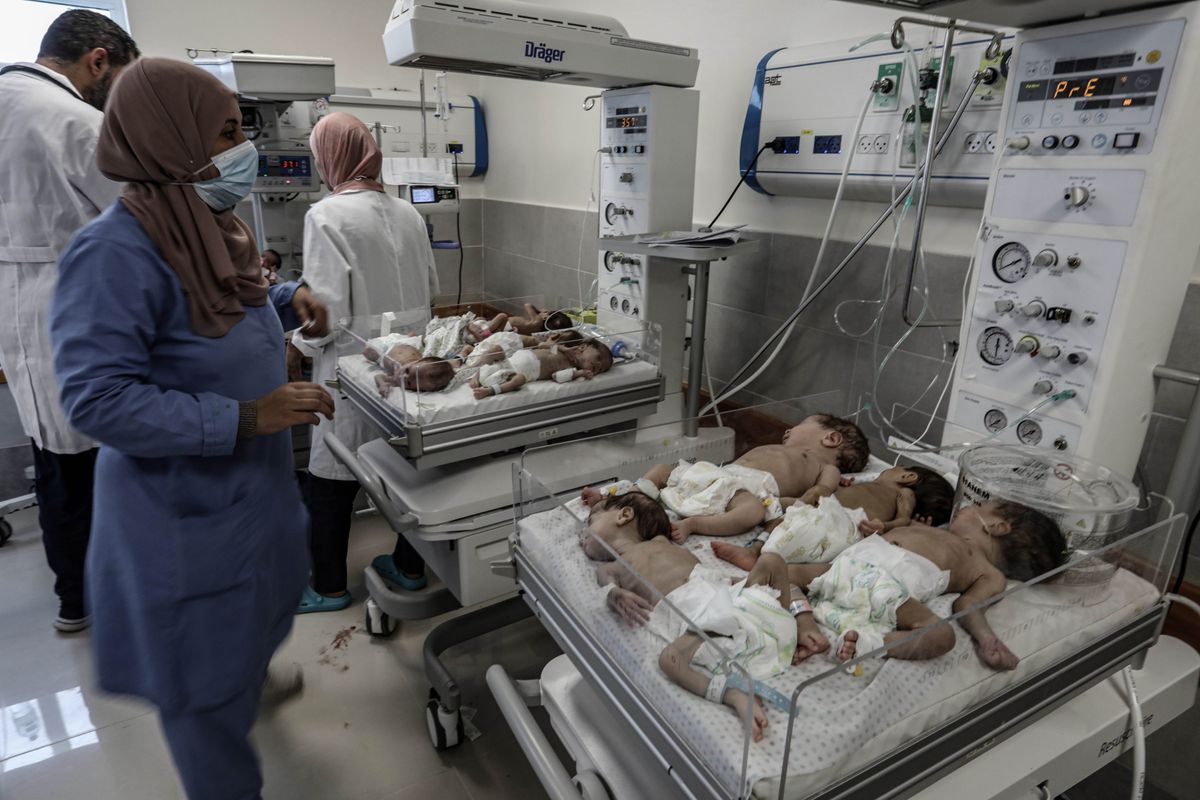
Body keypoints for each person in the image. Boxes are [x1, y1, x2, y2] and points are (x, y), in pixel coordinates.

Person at [49, 58, 334, 799]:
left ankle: (244, 681)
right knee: (201, 695)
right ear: (169, 142)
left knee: (255, 620)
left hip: (251, 499)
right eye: (228, 133)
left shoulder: (208, 228)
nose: (244, 152)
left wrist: (286, 296)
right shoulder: (113, 252)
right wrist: (246, 415)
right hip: (182, 520)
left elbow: (219, 305)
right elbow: (96, 399)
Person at [0, 10, 139, 632]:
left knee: (54, 456)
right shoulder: (76, 121)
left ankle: (73, 601)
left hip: (16, 305)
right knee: (100, 460)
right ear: (99, 60)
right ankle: (113, 595)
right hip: (78, 302)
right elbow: (142, 221)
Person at [289, 111, 438, 613]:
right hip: (409, 363)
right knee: (410, 473)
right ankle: (411, 567)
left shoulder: (326, 215)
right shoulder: (410, 214)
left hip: (352, 366)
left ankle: (329, 587)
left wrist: (296, 348)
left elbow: (324, 317)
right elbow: (432, 292)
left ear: (330, 157)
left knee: (332, 481)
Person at [582, 486, 828, 742]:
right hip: (696, 619)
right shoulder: (616, 566)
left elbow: (711, 572)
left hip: (723, 594)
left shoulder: (661, 541)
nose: (582, 534)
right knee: (670, 660)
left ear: (624, 516)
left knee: (772, 562)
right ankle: (733, 695)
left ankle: (805, 628)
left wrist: (601, 502)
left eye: (591, 522)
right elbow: (604, 578)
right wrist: (613, 594)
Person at [763, 500, 1068, 670]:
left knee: (942, 635)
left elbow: (967, 605)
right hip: (844, 567)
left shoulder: (988, 572)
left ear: (997, 527)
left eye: (977, 505)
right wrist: (888, 525)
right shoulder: (938, 531)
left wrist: (987, 639)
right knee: (782, 571)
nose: (963, 507)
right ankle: (806, 623)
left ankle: (869, 644)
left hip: (889, 588)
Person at [636, 414, 870, 543]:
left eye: (799, 425)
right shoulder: (784, 449)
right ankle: (631, 494)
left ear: (831, 438)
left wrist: (786, 505)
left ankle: (693, 524)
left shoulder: (826, 466)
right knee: (664, 469)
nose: (788, 430)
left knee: (752, 512)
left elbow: (820, 493)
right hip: (720, 474)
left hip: (746, 491)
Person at [712, 464, 956, 569]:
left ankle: (756, 546)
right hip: (830, 517)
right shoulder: (869, 486)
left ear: (907, 477)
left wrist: (886, 525)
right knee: (793, 521)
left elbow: (902, 520)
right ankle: (756, 545)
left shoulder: (902, 493)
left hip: (844, 519)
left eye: (894, 468)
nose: (884, 471)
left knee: (812, 496)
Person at [469, 338, 614, 399]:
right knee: (496, 349)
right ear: (583, 347)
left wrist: (578, 373)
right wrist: (562, 348)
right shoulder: (563, 350)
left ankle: (489, 391)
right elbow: (541, 346)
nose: (599, 366)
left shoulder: (570, 367)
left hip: (516, 372)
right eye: (599, 358)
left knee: (520, 380)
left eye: (600, 370)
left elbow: (556, 377)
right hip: (509, 361)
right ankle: (474, 371)